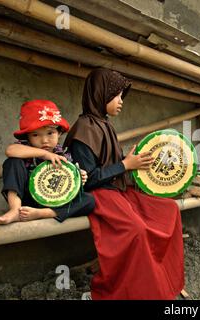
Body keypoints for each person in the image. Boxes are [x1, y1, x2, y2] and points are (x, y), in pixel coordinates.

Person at [63, 68, 184, 300]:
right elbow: (88, 179)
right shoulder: (83, 130)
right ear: (101, 94)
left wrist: (130, 161)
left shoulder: (104, 124)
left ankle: (161, 280)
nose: (121, 101)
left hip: (118, 191)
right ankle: (116, 291)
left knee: (168, 210)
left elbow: (113, 165)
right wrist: (125, 165)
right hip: (99, 194)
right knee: (136, 230)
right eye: (117, 95)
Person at [0, 100, 94, 226]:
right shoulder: (25, 148)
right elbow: (10, 150)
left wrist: (79, 177)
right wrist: (45, 154)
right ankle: (15, 210)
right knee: (13, 162)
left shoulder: (63, 154)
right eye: (35, 135)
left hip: (54, 201)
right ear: (27, 137)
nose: (44, 140)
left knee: (89, 200)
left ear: (59, 132)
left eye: (50, 133)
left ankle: (45, 213)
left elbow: (70, 180)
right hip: (27, 199)